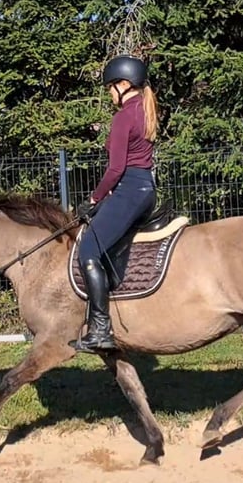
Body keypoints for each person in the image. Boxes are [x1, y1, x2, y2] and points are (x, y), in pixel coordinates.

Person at [70, 54, 159, 353]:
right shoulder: (144, 111)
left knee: (88, 251)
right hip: (145, 189)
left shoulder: (124, 116)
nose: (109, 94)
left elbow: (115, 169)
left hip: (129, 190)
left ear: (124, 84)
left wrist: (93, 199)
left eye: (111, 87)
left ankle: (100, 330)